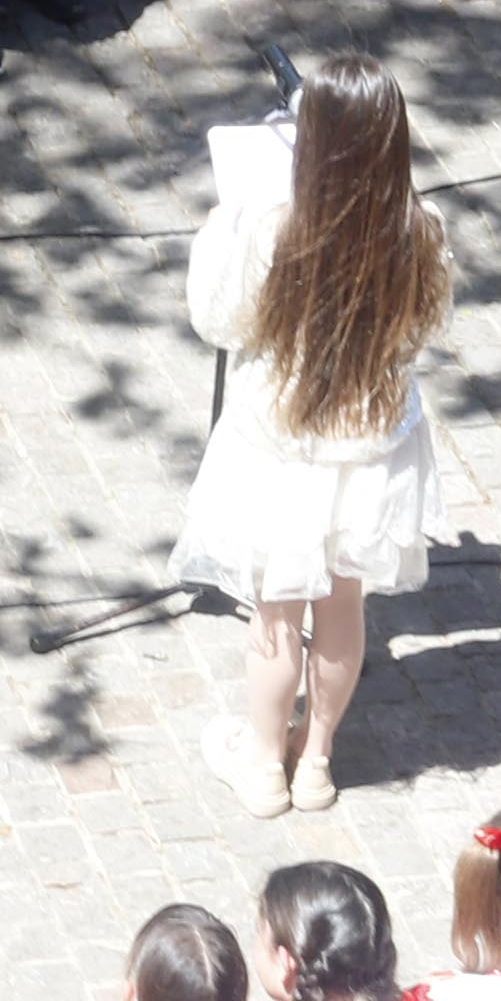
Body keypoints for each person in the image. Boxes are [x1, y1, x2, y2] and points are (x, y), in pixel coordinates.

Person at [169, 47, 462, 815]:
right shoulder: (421, 230)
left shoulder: (274, 228)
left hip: (282, 449)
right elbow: (425, 328)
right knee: (342, 604)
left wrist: (215, 237)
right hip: (372, 449)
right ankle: (318, 760)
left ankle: (265, 765)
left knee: (275, 611)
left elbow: (217, 322)